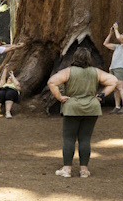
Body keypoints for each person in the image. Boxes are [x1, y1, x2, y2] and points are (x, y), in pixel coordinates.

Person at [47, 47, 118, 179]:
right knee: (85, 139)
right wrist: (102, 95)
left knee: (69, 139)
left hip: (72, 107)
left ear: (75, 58)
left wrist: (60, 97)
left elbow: (52, 82)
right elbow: (113, 81)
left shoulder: (68, 72)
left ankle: (67, 169)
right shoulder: (96, 72)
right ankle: (84, 170)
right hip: (92, 107)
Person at [103, 23, 123, 113]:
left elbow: (119, 38)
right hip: (113, 68)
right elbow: (105, 44)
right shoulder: (118, 47)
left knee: (120, 87)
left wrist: (116, 29)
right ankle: (117, 106)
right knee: (115, 88)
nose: (122, 35)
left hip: (120, 68)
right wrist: (110, 33)